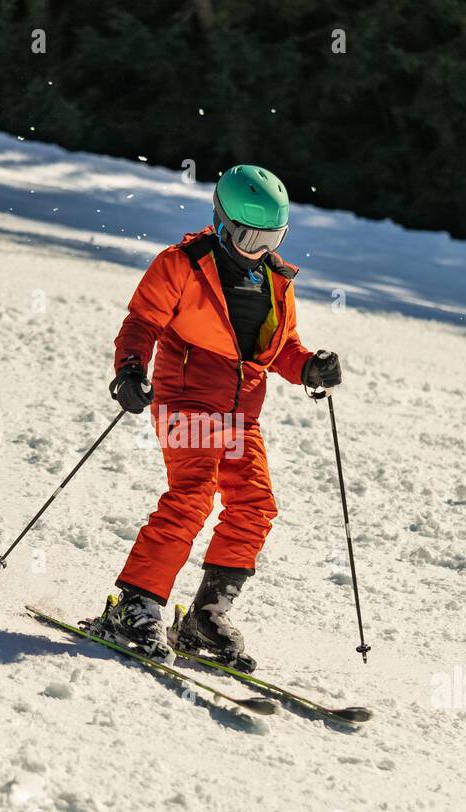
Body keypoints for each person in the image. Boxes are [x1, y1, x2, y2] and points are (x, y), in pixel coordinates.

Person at [104, 164, 342, 671]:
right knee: (192, 496)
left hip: (240, 414)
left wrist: (310, 369)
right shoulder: (182, 264)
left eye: (272, 236)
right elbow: (142, 322)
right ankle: (136, 603)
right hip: (187, 400)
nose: (260, 248)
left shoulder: (276, 280)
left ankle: (205, 615)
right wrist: (129, 370)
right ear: (224, 222)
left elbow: (280, 349)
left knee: (255, 506)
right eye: (251, 235)